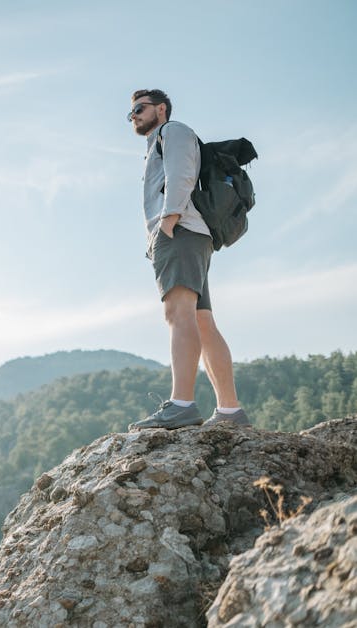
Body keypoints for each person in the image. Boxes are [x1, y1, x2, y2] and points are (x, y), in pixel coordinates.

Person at [126, 89, 250, 430]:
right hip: (189, 234)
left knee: (177, 313)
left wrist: (168, 221)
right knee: (202, 321)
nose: (134, 115)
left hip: (180, 232)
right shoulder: (157, 142)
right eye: (130, 112)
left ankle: (181, 405)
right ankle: (230, 411)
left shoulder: (173, 131)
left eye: (139, 108)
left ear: (160, 109)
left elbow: (182, 172)